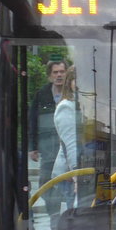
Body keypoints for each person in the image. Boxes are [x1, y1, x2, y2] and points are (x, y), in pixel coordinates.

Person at [29, 60, 68, 218]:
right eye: (55, 72)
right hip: (48, 149)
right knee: (46, 184)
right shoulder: (42, 94)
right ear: (49, 76)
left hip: (68, 150)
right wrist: (33, 146)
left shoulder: (73, 93)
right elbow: (33, 119)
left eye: (62, 72)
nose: (59, 75)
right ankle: (54, 217)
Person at [50, 67, 81, 220]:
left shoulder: (83, 104)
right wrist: (77, 177)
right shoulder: (66, 107)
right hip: (72, 175)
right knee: (76, 219)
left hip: (84, 170)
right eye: (78, 80)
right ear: (70, 82)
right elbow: (71, 144)